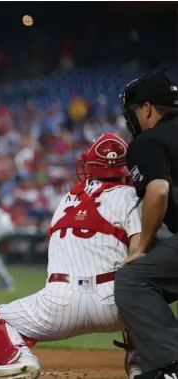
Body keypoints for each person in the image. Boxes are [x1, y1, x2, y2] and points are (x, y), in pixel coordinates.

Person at [0, 133, 143, 379]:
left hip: (59, 304)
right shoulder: (132, 196)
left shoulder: (67, 199)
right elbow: (139, 254)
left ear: (89, 166)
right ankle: (140, 365)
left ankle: (19, 359)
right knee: (144, 298)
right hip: (114, 305)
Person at [114, 71, 178, 379]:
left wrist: (140, 246)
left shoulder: (148, 141)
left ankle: (170, 366)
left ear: (147, 109)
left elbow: (159, 190)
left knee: (133, 280)